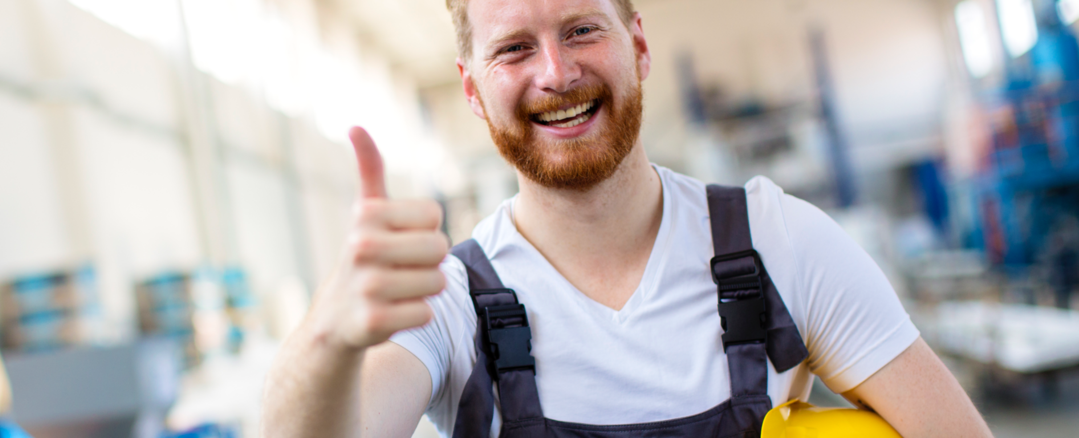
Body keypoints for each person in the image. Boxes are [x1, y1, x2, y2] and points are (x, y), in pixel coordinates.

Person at [262, 0, 994, 436]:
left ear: (638, 45)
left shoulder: (781, 244)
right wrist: (329, 334)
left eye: (582, 29)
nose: (555, 72)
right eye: (514, 48)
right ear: (474, 92)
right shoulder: (448, 303)